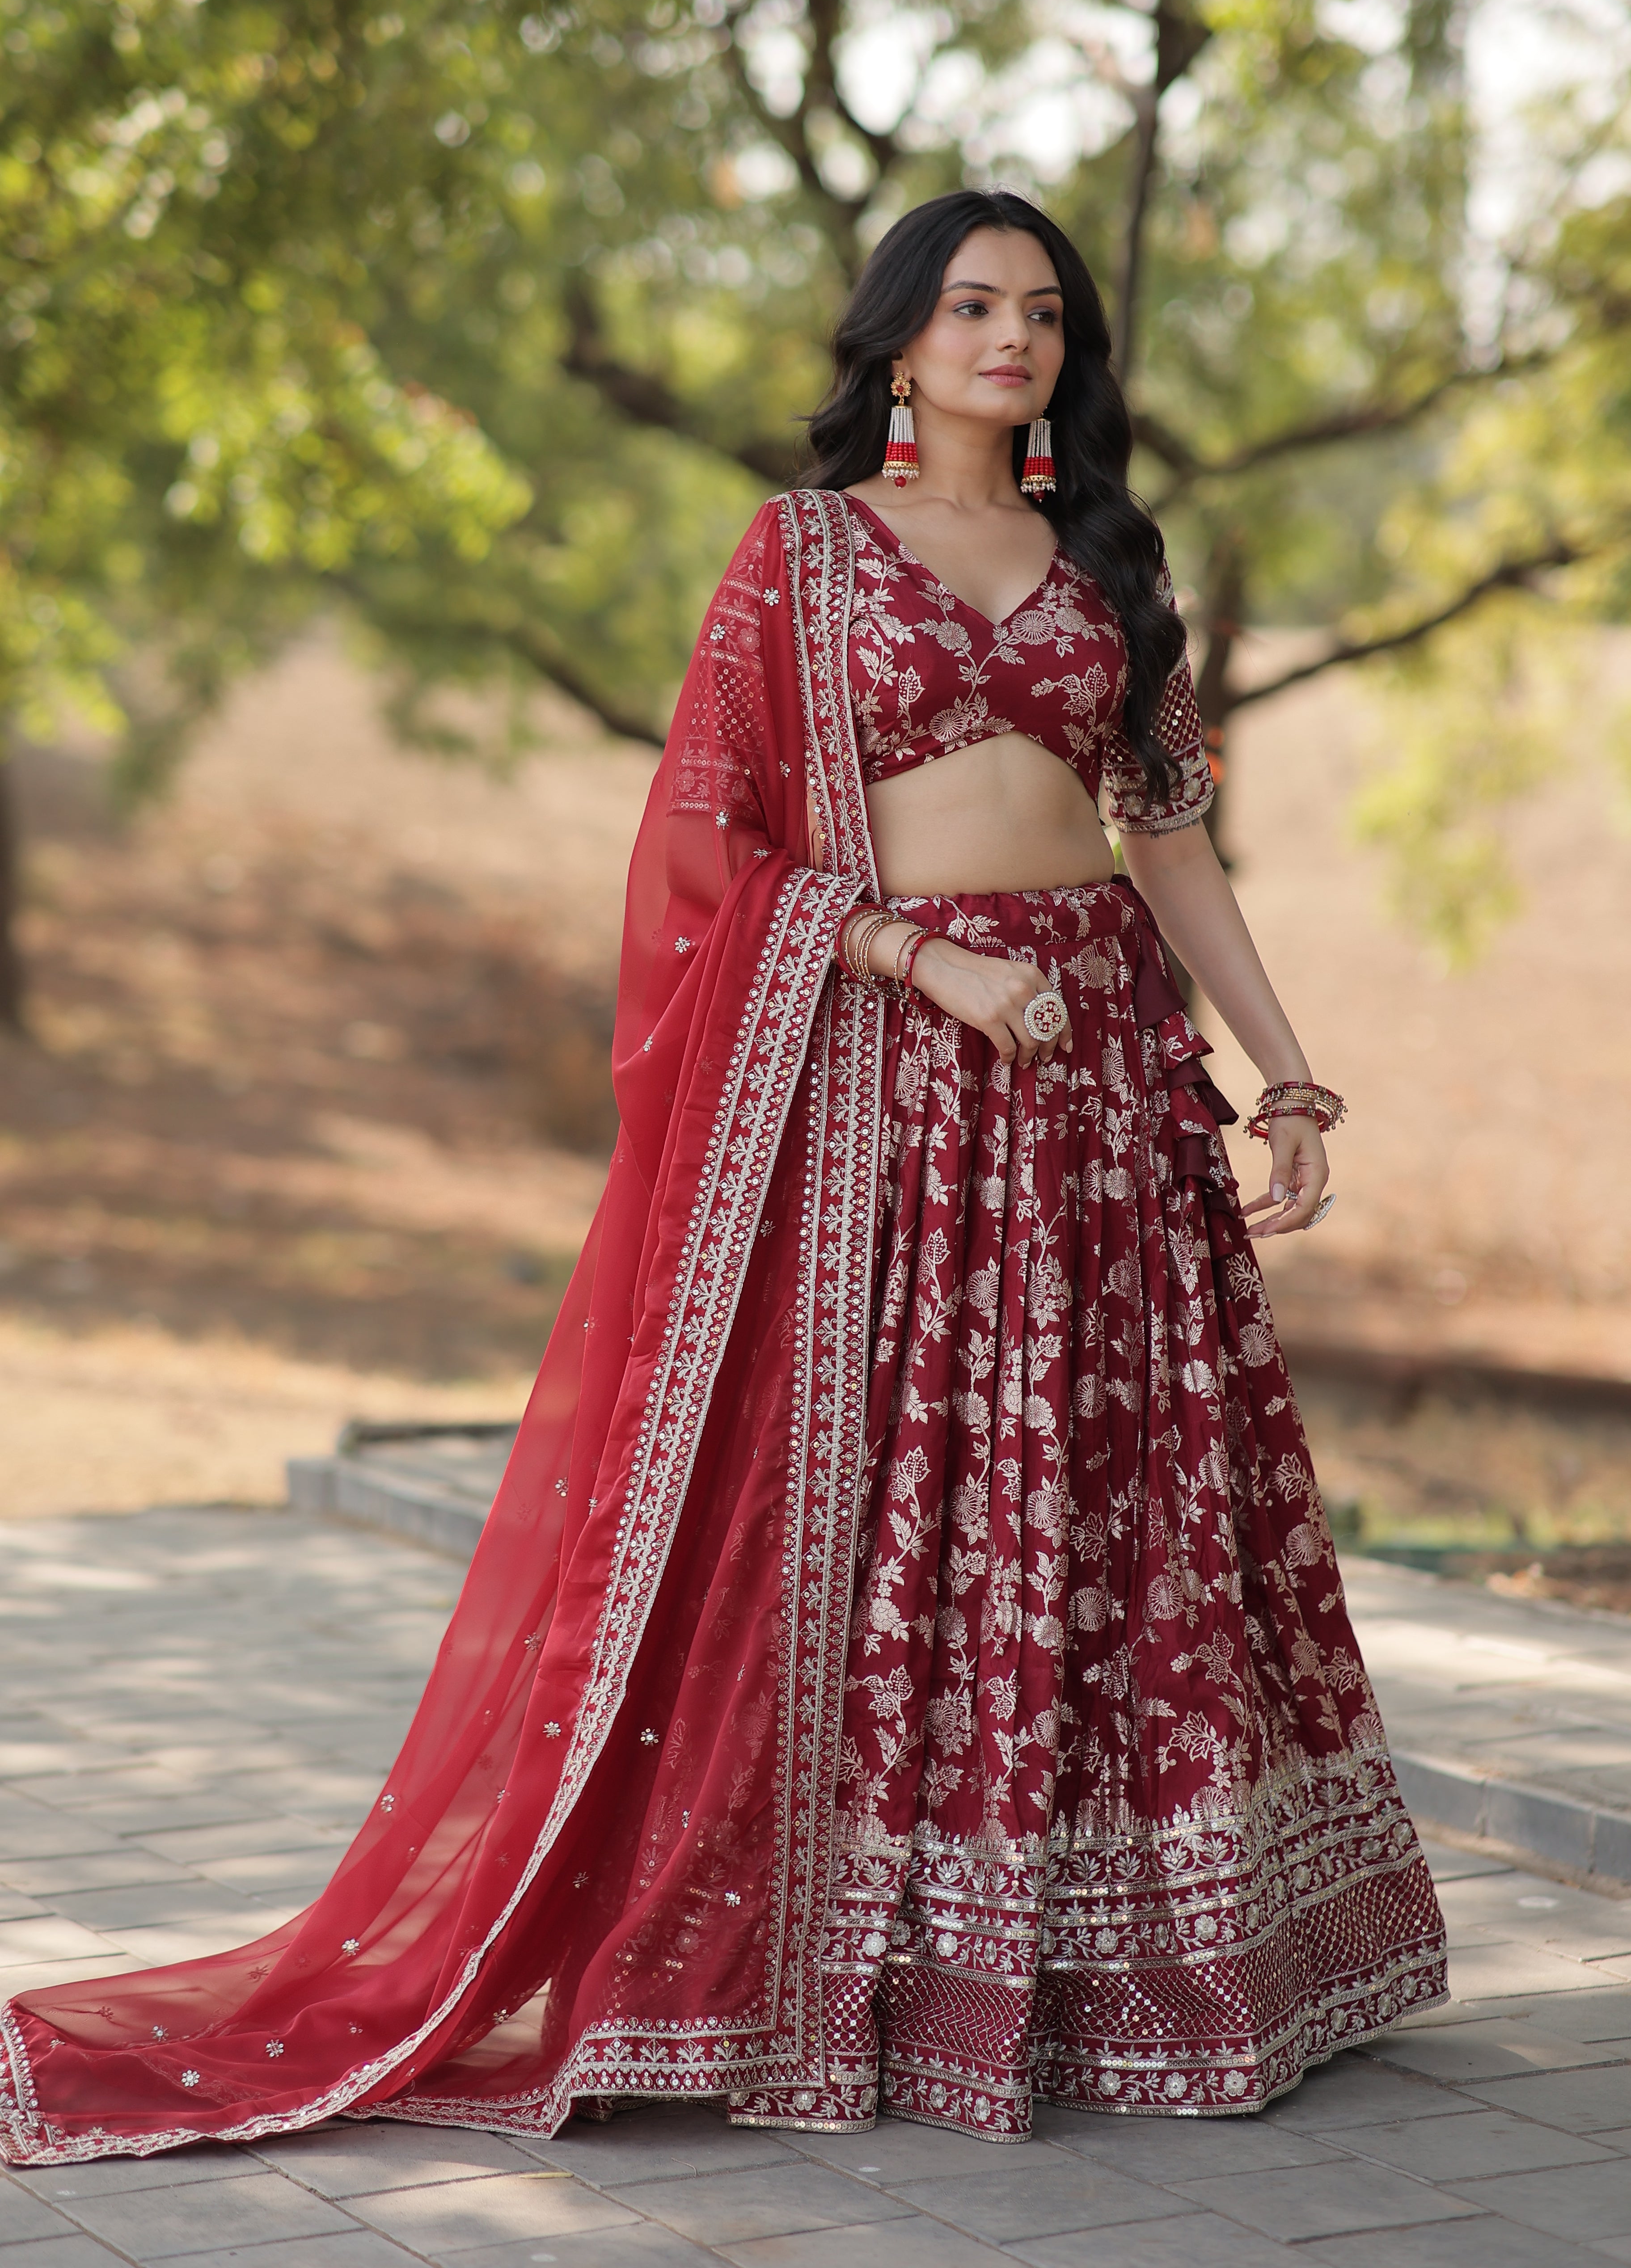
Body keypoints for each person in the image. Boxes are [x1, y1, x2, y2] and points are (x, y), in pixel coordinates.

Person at [0, 190, 1445, 2167]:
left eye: (1042, 311)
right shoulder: (802, 554)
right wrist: (922, 956)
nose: (1010, 338)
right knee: (902, 1506)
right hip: (900, 1081)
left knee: (1116, 1502)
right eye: (969, 306)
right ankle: (860, 1965)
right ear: (899, 341)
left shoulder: (1110, 554)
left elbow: (1174, 836)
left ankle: (1131, 1970)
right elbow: (705, 848)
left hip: (1104, 1073)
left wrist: (1286, 1075)